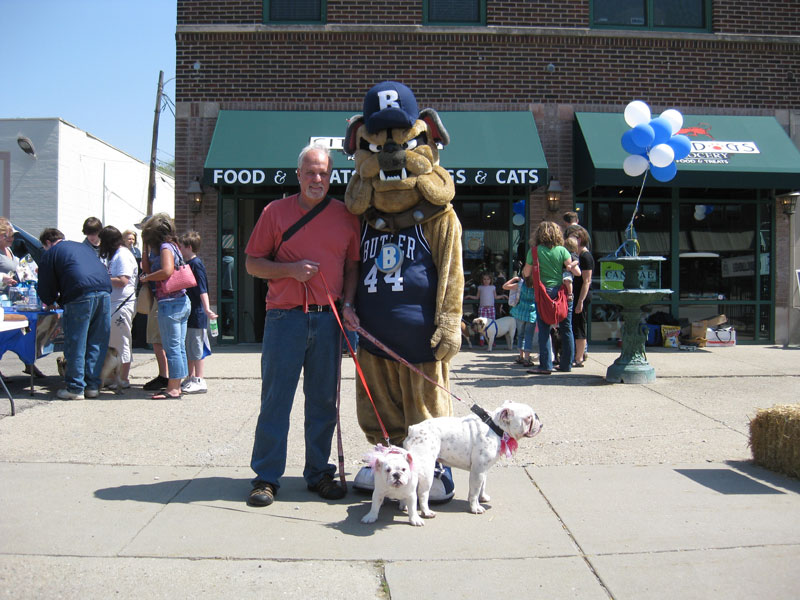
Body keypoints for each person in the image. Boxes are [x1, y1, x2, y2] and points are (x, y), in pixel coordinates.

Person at [243, 143, 360, 507]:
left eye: (323, 173)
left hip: (328, 320)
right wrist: (289, 271)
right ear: (298, 175)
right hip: (284, 318)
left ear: (331, 176)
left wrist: (350, 304)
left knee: (323, 402)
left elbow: (353, 266)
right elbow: (251, 264)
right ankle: (266, 477)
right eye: (310, 172)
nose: (317, 179)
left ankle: (319, 473)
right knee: (276, 400)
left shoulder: (346, 216)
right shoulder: (274, 212)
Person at [37, 228, 111, 399]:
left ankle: (75, 388)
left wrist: (49, 301)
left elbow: (45, 283)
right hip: (104, 291)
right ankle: (92, 386)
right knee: (97, 340)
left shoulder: (51, 253)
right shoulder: (83, 247)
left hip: (79, 294)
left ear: (47, 243)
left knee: (76, 341)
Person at [139, 214, 190, 400]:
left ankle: (173, 388)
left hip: (170, 303)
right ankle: (177, 385)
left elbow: (166, 271)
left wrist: (147, 279)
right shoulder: (172, 246)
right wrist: (145, 248)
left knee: (172, 347)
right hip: (180, 301)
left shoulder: (165, 248)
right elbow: (147, 267)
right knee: (179, 346)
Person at [527, 221, 575, 375]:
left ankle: (545, 365)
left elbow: (526, 273)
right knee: (567, 329)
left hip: (542, 293)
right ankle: (566, 365)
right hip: (561, 293)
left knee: (544, 330)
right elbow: (571, 267)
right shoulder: (563, 250)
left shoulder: (534, 251)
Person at [0, 218, 44, 379]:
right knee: (3, 334)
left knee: (24, 330)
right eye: (7, 236)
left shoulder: (10, 251)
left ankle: (29, 362)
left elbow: (20, 269)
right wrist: (3, 278)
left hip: (14, 298)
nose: (11, 239)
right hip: (2, 300)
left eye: (12, 236)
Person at [99, 226, 138, 388]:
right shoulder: (116, 256)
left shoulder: (123, 256)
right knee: (114, 341)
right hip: (115, 304)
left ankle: (123, 378)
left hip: (122, 304)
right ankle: (115, 376)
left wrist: (102, 277)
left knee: (122, 341)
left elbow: (123, 280)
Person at [179, 231, 217, 394]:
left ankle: (199, 379)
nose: (179, 249)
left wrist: (207, 308)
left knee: (197, 347)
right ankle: (190, 377)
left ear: (188, 247)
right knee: (189, 347)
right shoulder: (187, 263)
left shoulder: (196, 264)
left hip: (197, 312)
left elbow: (203, 288)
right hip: (189, 311)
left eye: (181, 246)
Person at [565, 224, 594, 367]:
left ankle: (579, 358)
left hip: (582, 295)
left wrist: (580, 301)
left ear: (580, 238)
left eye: (572, 237)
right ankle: (578, 355)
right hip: (575, 295)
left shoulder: (586, 256)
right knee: (574, 325)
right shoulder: (575, 256)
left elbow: (586, 281)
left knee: (579, 327)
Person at [502, 264, 538, 367]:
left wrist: (514, 279)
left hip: (520, 312)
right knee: (529, 336)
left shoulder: (520, 284)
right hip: (532, 313)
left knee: (520, 335)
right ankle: (527, 358)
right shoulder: (536, 285)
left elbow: (504, 286)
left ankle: (521, 356)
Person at [124, 229, 148, 349]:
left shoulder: (137, 252)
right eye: (129, 238)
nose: (131, 241)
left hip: (137, 286)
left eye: (133, 239)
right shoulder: (122, 253)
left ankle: (140, 339)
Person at [562, 235, 582, 299]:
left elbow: (576, 261)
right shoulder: (566, 253)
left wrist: (570, 265)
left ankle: (570, 293)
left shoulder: (572, 254)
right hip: (565, 270)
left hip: (568, 271)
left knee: (568, 280)